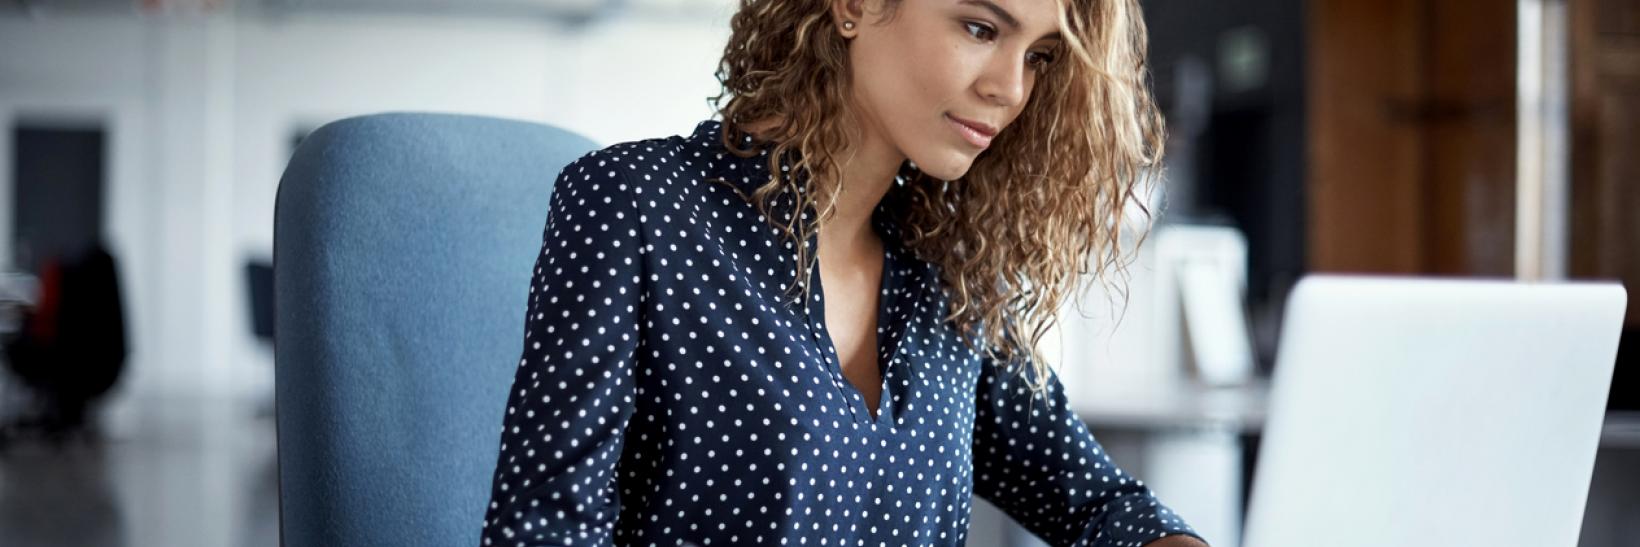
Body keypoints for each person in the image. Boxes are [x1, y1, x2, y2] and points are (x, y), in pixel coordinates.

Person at [479, 0, 1208, 545]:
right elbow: (543, 529)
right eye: (981, 29)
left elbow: (1100, 504)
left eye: (1040, 56)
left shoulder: (947, 279)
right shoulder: (636, 205)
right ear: (855, 5)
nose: (1012, 88)